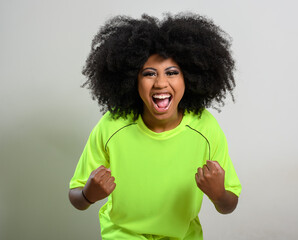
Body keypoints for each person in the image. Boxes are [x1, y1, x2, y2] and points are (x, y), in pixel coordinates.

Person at [68, 12, 241, 240]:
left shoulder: (205, 127)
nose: (160, 83)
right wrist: (89, 194)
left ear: (189, 78)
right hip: (123, 233)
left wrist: (219, 195)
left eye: (172, 73)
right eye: (149, 73)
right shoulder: (112, 126)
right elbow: (76, 198)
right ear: (132, 80)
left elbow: (229, 204)